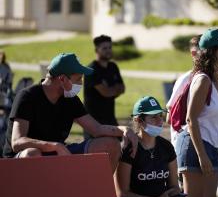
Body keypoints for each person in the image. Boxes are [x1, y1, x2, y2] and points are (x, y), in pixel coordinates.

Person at [2, 53, 137, 172]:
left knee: (111, 144)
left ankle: (98, 195)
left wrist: (125, 130)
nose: (81, 83)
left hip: (59, 152)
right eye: (78, 79)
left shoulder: (70, 99)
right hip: (21, 159)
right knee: (33, 154)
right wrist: (55, 146)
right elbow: (17, 142)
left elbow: (97, 129)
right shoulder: (27, 96)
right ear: (62, 79)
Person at [175, 28, 218, 197]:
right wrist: (202, 155)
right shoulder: (203, 80)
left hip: (213, 147)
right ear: (212, 52)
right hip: (195, 147)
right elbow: (191, 119)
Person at [115, 96, 183, 197]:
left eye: (160, 115)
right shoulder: (128, 148)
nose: (160, 120)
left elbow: (174, 186)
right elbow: (123, 194)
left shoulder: (166, 147)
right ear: (139, 120)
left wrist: (175, 195)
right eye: (154, 117)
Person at [84, 35, 125, 139]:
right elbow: (105, 92)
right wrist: (113, 89)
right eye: (104, 48)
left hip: (110, 118)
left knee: (119, 148)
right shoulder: (91, 70)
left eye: (110, 47)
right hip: (93, 121)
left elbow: (122, 88)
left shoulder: (113, 67)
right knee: (96, 153)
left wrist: (110, 89)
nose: (108, 51)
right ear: (96, 50)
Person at [166, 35, 201, 147]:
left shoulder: (217, 79)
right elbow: (169, 117)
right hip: (184, 143)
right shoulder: (185, 80)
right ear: (194, 54)